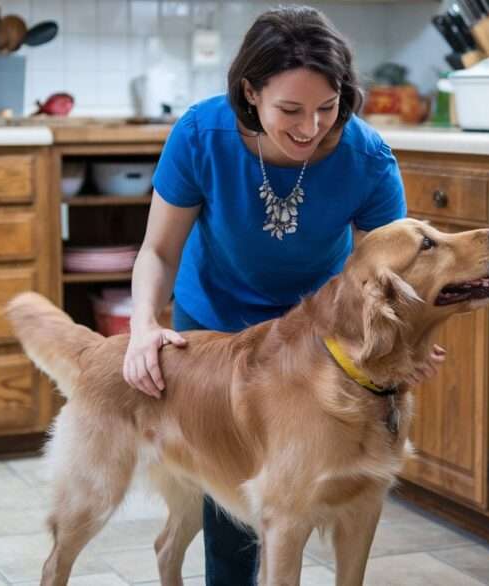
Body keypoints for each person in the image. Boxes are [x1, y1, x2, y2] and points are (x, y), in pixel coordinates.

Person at [122, 5, 424, 584]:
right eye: (290, 109)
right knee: (228, 497)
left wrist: (407, 339)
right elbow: (158, 252)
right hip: (212, 321)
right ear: (250, 93)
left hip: (315, 339)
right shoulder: (201, 135)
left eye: (327, 107)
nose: (310, 127)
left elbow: (393, 275)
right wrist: (141, 324)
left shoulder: (368, 158)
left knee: (310, 484)